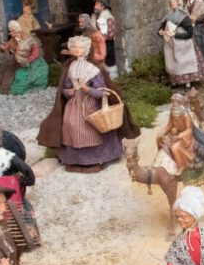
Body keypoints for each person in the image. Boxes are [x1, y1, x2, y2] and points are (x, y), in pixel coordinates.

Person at [37, 36, 140, 173]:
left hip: (90, 103)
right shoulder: (70, 67)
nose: (77, 50)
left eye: (80, 47)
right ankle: (75, 159)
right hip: (74, 104)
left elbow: (102, 91)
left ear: (86, 50)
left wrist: (89, 90)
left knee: (91, 127)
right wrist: (69, 92)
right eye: (74, 47)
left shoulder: (93, 69)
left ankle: (95, 159)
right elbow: (64, 88)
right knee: (70, 125)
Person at [160, 0, 204, 87]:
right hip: (172, 44)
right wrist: (162, 32)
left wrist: (175, 34)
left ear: (178, 3)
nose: (172, 4)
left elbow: (189, 32)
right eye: (171, 2)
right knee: (173, 63)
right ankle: (176, 81)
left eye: (174, 2)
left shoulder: (183, 16)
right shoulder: (168, 16)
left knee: (185, 62)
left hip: (184, 43)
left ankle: (188, 82)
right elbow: (161, 28)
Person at [6, 20, 48, 95]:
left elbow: (36, 52)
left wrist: (28, 60)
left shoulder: (29, 39)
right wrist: (4, 47)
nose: (11, 33)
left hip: (32, 62)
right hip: (20, 63)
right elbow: (9, 45)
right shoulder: (13, 40)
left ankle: (29, 87)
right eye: (10, 31)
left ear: (17, 30)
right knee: (15, 76)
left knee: (30, 76)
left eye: (12, 31)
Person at [158, 94, 196, 173]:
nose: (174, 103)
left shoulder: (185, 114)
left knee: (174, 147)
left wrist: (179, 136)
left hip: (184, 137)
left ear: (180, 102)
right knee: (160, 139)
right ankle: (166, 163)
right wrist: (163, 131)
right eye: (173, 101)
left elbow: (189, 130)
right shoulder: (172, 111)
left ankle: (181, 166)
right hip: (174, 134)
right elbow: (170, 124)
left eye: (176, 101)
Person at [93, 0, 118, 77]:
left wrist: (102, 38)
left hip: (107, 41)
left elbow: (107, 32)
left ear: (102, 6)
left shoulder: (106, 16)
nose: (95, 6)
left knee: (108, 57)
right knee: (105, 57)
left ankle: (112, 76)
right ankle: (107, 75)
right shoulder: (101, 15)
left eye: (97, 4)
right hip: (104, 41)